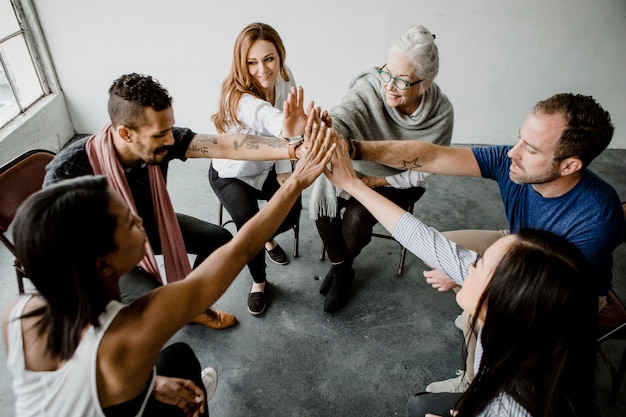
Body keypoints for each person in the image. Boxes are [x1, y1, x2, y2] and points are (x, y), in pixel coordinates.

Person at [2, 117, 335, 416]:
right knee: (178, 363)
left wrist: (150, 385)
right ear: (103, 264)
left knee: (176, 359)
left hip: (120, 393)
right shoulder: (132, 333)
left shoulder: (19, 313)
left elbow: (77, 389)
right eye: (130, 223)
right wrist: (296, 183)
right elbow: (242, 247)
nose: (138, 217)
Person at [342, 92, 625, 391]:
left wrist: (470, 277)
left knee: (484, 313)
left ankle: (470, 382)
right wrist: (352, 148)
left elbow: (532, 288)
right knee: (440, 251)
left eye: (530, 149)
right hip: (520, 244)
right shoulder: (515, 162)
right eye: (519, 138)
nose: (511, 153)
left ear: (569, 166)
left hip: (566, 292)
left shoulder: (596, 219)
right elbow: (434, 156)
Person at [323, 137, 600, 417]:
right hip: (486, 387)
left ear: (503, 301)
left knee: (419, 406)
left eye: (480, 265)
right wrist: (353, 184)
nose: (470, 265)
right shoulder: (510, 331)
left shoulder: (520, 403)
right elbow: (422, 239)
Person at [44, 73, 308, 330]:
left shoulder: (164, 142)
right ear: (125, 134)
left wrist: (291, 148)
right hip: (98, 255)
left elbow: (228, 145)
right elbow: (59, 255)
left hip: (145, 224)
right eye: (159, 134)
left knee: (217, 239)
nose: (170, 140)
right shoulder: (68, 172)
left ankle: (191, 308)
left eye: (169, 129)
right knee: (154, 304)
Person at [311, 25, 454, 313]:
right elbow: (345, 113)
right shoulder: (372, 85)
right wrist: (328, 128)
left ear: (425, 83)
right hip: (359, 166)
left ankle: (341, 269)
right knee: (322, 207)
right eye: (386, 72)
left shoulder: (441, 115)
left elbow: (425, 169)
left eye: (401, 81)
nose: (388, 85)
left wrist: (381, 180)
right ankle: (342, 268)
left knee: (357, 216)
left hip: (403, 181)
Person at [210, 22, 308, 315]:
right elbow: (267, 117)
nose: (262, 69)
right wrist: (287, 129)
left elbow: (284, 127)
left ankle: (264, 235)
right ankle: (259, 281)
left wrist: (283, 165)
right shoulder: (236, 97)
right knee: (248, 224)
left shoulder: (285, 79)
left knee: (291, 209)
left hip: (266, 166)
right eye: (251, 62)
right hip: (232, 174)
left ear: (280, 56)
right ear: (241, 63)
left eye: (269, 59)